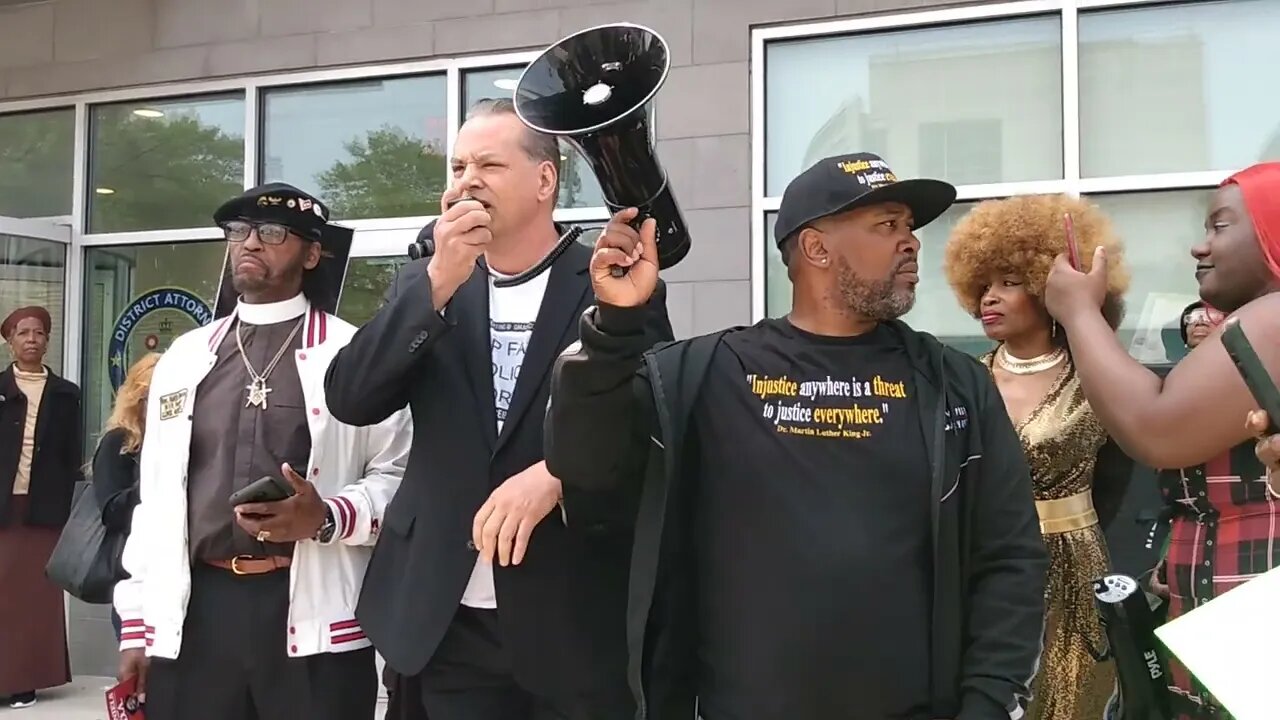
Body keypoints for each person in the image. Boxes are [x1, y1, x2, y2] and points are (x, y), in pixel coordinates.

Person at [545, 152, 1049, 720]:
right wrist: (613, 327)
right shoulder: (705, 374)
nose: (910, 242)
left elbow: (1011, 559)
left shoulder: (954, 385)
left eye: (910, 227)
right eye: (887, 225)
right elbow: (585, 464)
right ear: (816, 248)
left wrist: (986, 705)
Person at [324, 98, 672, 720]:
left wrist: (558, 473)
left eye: (488, 163)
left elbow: (647, 422)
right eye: (457, 167)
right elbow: (351, 397)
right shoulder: (425, 280)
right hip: (441, 611)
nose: (467, 180)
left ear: (545, 180)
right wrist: (437, 281)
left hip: (569, 613)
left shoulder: (609, 276)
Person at [112, 182, 412, 720]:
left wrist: (327, 517)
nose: (250, 243)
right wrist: (137, 622)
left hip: (309, 610)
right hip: (196, 610)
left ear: (312, 253)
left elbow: (399, 476)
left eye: (272, 233)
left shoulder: (352, 352)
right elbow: (155, 501)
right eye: (239, 232)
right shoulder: (184, 359)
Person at [1044, 161, 1280, 718]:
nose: (1200, 247)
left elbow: (1156, 428)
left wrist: (1079, 314)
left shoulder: (1273, 319)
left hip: (1255, 647)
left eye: (1220, 227)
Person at [943, 194, 1133, 720]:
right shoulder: (962, 382)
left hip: (1075, 567)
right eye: (983, 285)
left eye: (1009, 281)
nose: (990, 297)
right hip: (982, 565)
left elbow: (1130, 475)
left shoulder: (1097, 376)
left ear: (1049, 287)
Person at [0, 305, 78, 708]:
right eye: (22, 333)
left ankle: (25, 680)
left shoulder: (67, 394)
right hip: (3, 506)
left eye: (38, 333)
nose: (31, 339)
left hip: (42, 507)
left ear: (47, 341)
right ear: (9, 341)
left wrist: (66, 506)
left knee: (34, 596)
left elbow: (72, 455)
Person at [91, 352, 159, 641]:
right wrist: (158, 479)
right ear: (138, 398)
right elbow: (112, 511)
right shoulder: (118, 442)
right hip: (136, 574)